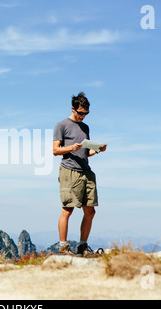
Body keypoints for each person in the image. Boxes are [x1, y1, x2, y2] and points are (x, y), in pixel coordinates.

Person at [53, 92, 107, 257]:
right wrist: (71, 148)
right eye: (81, 113)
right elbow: (55, 150)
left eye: (86, 113)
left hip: (86, 171)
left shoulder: (85, 127)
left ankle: (82, 247)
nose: (83, 116)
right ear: (73, 108)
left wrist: (97, 150)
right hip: (70, 171)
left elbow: (86, 152)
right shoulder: (61, 125)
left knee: (90, 211)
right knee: (67, 209)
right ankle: (63, 248)